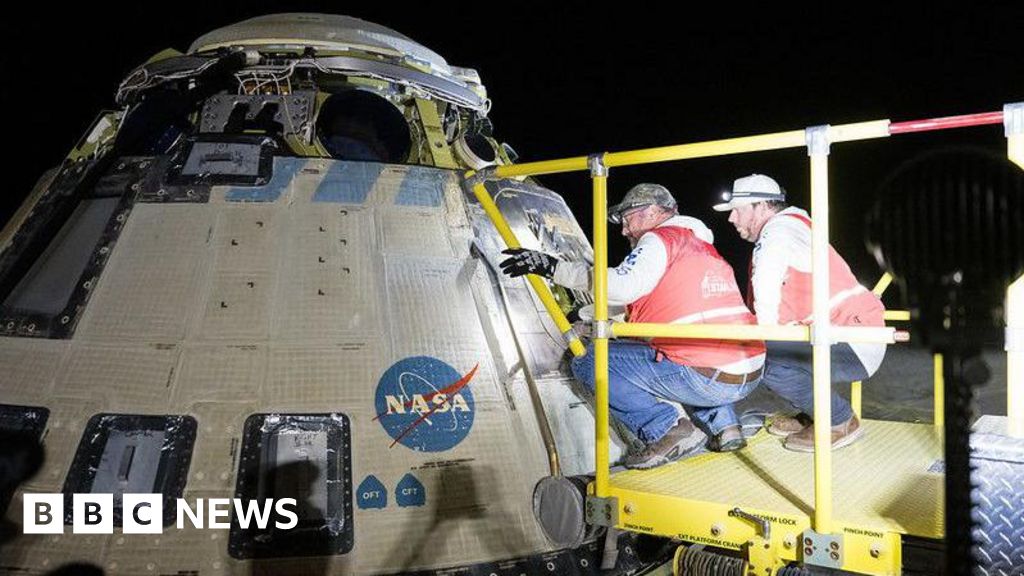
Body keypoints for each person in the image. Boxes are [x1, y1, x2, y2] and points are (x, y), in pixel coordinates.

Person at [500, 183, 765, 469]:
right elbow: (647, 304)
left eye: (628, 219)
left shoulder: (660, 239)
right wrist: (588, 314)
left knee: (590, 360)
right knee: (691, 350)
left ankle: (664, 429)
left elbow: (624, 286)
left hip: (706, 375)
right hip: (747, 370)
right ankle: (726, 428)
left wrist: (553, 268)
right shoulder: (698, 246)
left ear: (652, 212)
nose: (625, 230)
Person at [713, 174, 886, 451]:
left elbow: (766, 281)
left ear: (760, 206)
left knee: (770, 364)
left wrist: (763, 338)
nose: (731, 218)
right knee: (778, 355)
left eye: (737, 210)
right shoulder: (795, 227)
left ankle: (839, 421)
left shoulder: (779, 231)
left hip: (852, 338)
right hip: (850, 331)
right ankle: (814, 415)